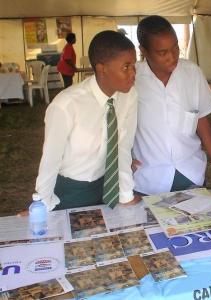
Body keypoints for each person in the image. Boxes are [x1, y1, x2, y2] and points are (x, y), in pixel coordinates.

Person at [34, 30, 138, 211]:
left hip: (107, 185)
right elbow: (51, 160)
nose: (133, 73)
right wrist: (42, 204)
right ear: (102, 68)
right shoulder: (66, 105)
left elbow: (122, 145)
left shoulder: (129, 96)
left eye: (134, 65)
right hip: (70, 191)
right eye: (126, 67)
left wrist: (126, 194)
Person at [132, 15, 211, 196]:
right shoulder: (132, 80)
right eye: (162, 52)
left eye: (175, 47)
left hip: (190, 174)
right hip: (148, 179)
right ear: (143, 51)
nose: (172, 56)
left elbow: (202, 120)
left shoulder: (192, 73)